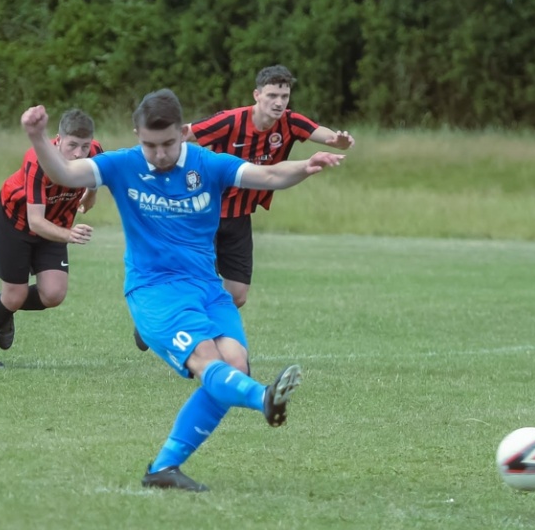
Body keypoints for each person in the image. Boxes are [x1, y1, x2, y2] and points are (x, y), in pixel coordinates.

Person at [21, 89, 344, 491]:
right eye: (149, 145)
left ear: (182, 133)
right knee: (209, 362)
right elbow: (65, 174)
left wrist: (306, 165)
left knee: (235, 365)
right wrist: (37, 137)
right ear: (137, 135)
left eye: (168, 144)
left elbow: (269, 175)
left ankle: (163, 468)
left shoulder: (206, 164)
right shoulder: (123, 165)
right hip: (155, 290)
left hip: (207, 288)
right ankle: (264, 398)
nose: (158, 154)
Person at [132, 64, 354, 351]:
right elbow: (184, 133)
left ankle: (182, 323)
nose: (279, 102)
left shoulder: (289, 122)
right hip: (202, 214)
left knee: (236, 295)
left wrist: (337, 140)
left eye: (284, 96)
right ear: (257, 95)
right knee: (195, 282)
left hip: (239, 218)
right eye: (272, 95)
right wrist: (149, 162)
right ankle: (163, 323)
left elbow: (319, 132)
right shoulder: (231, 120)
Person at [0, 109, 103, 368]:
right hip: (16, 221)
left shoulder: (94, 152)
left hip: (57, 222)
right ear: (58, 139)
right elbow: (35, 222)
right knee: (14, 296)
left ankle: (4, 309)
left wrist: (91, 195)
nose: (78, 153)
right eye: (72, 145)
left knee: (53, 294)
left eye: (84, 146)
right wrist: (70, 235)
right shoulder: (37, 161)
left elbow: (97, 173)